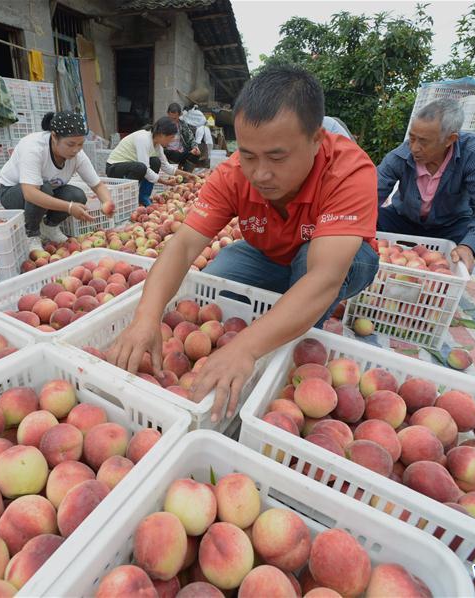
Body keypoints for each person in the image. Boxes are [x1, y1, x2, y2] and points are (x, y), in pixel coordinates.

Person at [107, 65, 380, 422]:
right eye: (248, 154)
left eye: (277, 157)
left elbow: (324, 276)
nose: (260, 173)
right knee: (216, 281)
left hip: (339, 259)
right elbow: (184, 246)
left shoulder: (348, 170)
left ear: (316, 140)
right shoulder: (233, 174)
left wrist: (246, 348)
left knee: (308, 270)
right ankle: (283, 318)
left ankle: (289, 343)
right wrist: (146, 316)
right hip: (269, 252)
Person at [375, 98, 475, 273]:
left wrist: (469, 246)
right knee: (369, 218)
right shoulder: (400, 156)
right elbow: (370, 194)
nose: (414, 148)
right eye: (412, 138)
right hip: (402, 221)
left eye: (424, 141)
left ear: (450, 139)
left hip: (450, 227)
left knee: (471, 237)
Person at [0, 111, 108, 251]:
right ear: (54, 137)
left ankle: (49, 227)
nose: (76, 150)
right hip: (13, 193)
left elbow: (97, 185)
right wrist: (69, 207)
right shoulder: (34, 148)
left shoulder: (77, 155)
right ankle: (31, 234)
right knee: (43, 188)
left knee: (76, 195)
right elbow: (30, 193)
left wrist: (107, 202)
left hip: (47, 190)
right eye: (70, 144)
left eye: (80, 144)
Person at [105, 117, 195, 206]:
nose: (171, 141)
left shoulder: (157, 146)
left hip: (129, 167)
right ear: (162, 135)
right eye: (171, 137)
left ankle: (143, 196)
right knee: (140, 167)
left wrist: (187, 174)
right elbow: (146, 169)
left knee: (155, 161)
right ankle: (128, 198)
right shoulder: (143, 139)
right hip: (114, 168)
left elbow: (166, 166)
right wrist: (165, 182)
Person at [164, 102, 200, 169]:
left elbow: (191, 138)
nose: (173, 120)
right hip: (168, 153)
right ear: (168, 114)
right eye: (171, 118)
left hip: (181, 152)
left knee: (195, 155)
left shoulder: (183, 125)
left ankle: (185, 173)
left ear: (179, 115)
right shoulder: (162, 125)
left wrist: (195, 148)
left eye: (175, 118)